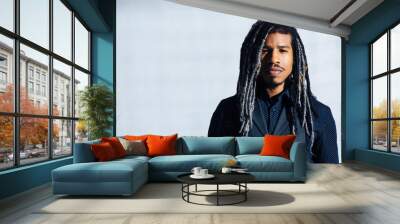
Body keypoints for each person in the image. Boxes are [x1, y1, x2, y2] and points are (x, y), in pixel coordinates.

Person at [208, 21, 339, 163]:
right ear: (252, 56)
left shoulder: (319, 113)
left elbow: (330, 175)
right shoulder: (227, 109)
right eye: (265, 50)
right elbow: (213, 166)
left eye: (282, 50)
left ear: (295, 58)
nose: (273, 59)